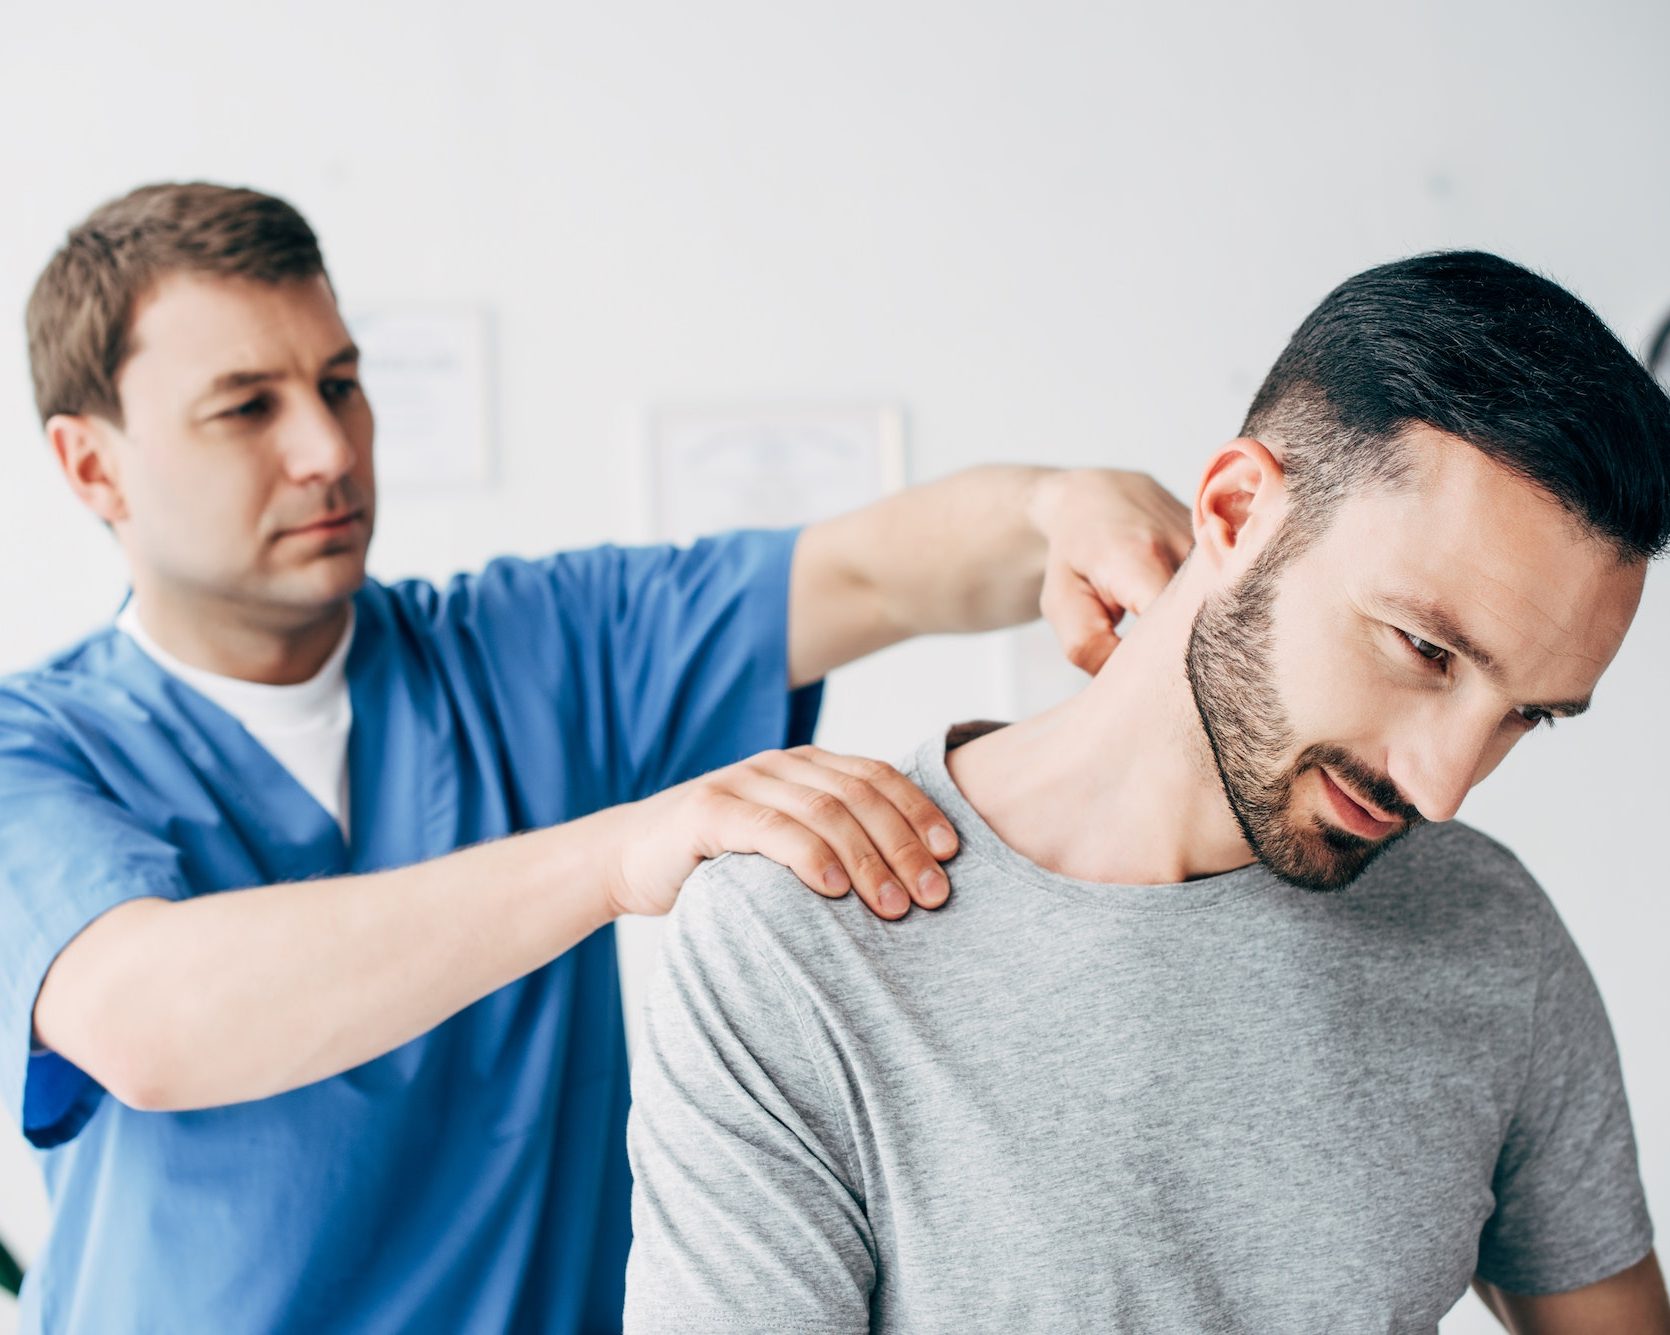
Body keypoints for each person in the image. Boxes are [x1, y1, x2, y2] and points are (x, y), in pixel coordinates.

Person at [0, 181, 1194, 1334]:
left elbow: (872, 569)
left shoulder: (528, 649)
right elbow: (149, 1022)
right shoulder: (34, 749)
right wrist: (618, 853)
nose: (327, 447)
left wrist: (1057, 507)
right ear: (91, 465)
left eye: (340, 383)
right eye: (246, 406)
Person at [624, 251, 1670, 1334]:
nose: (1442, 787)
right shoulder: (798, 937)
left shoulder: (1487, 925)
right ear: (1235, 512)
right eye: (1421, 650)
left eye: (1524, 715)